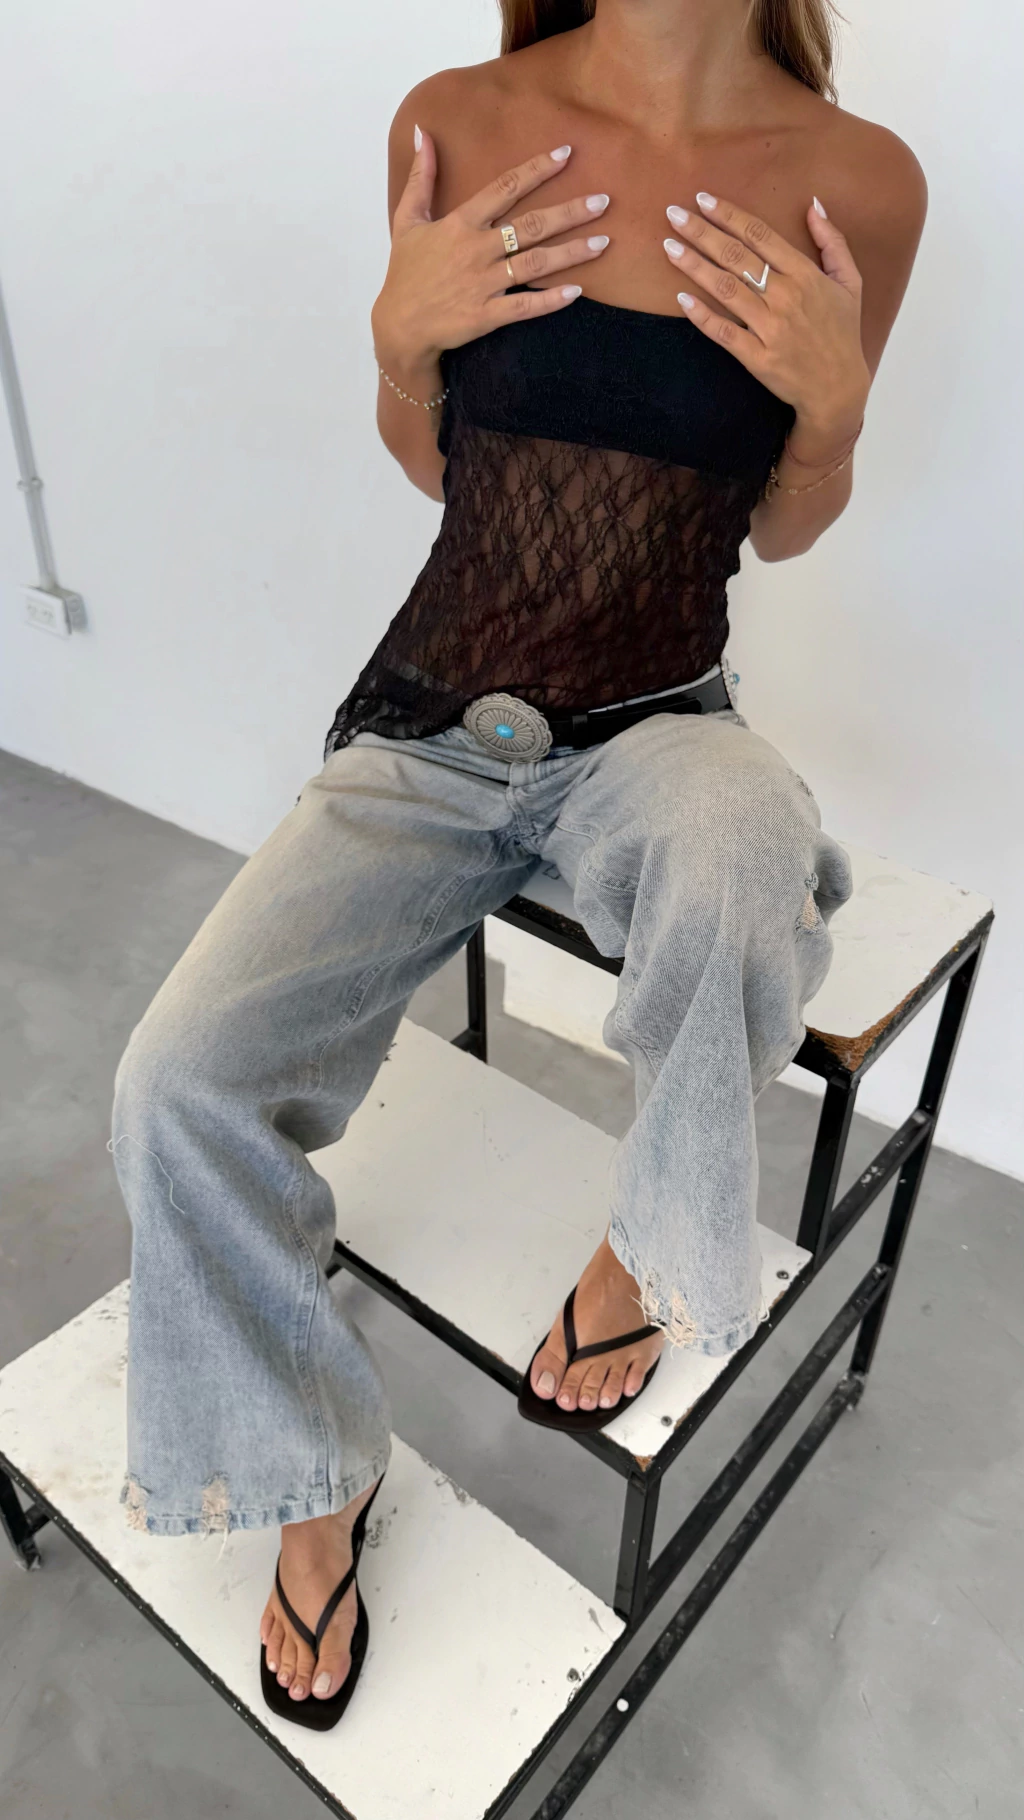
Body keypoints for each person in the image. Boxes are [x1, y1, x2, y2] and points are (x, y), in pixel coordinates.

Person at [109, 0, 926, 1730]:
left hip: (658, 720)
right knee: (177, 1079)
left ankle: (645, 1251)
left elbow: (784, 523)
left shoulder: (860, 180)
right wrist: (396, 347)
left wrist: (836, 418)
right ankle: (313, 1471)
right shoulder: (459, 116)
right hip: (430, 725)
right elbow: (436, 465)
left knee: (745, 845)